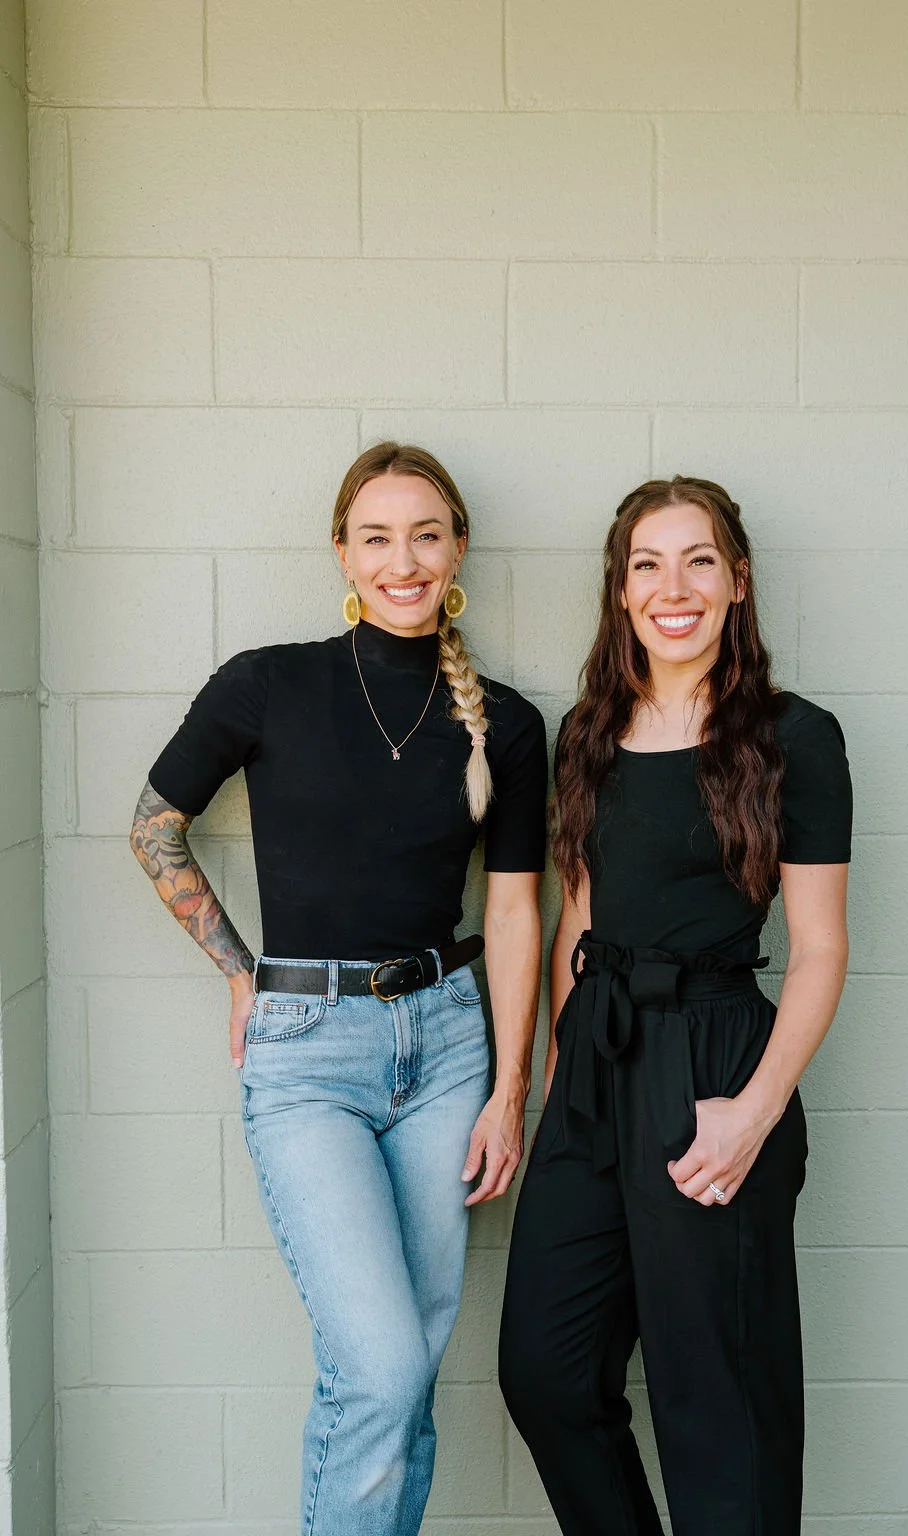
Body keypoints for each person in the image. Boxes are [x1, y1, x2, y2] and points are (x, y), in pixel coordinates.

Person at [130, 442, 547, 1536]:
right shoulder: (269, 683)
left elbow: (512, 913)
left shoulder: (505, 723)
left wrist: (510, 1091)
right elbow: (152, 826)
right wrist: (237, 969)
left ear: (457, 548)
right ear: (342, 554)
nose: (401, 560)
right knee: (381, 1370)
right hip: (307, 1053)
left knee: (404, 1380)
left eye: (424, 534)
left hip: (450, 1048)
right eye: (376, 537)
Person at [499, 476, 852, 1535]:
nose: (673, 587)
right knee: (547, 1373)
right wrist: (561, 1095)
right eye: (645, 565)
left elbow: (821, 949)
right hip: (595, 1066)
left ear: (737, 582)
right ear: (619, 594)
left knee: (717, 1405)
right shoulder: (586, 734)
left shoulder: (797, 737)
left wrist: (751, 1111)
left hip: (715, 1065)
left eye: (698, 560)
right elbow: (577, 925)